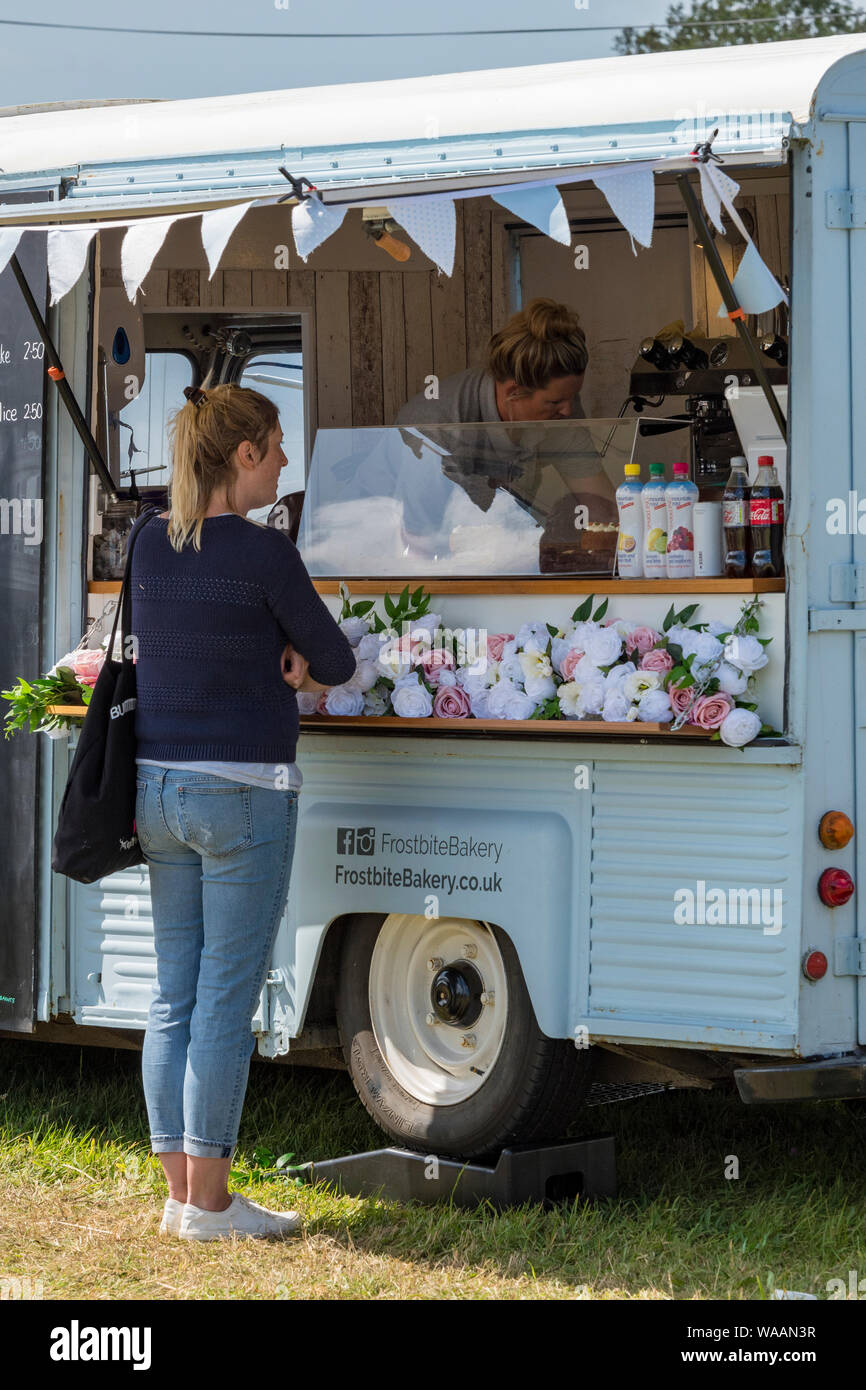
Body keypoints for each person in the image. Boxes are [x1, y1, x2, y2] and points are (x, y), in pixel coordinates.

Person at [130, 383, 356, 1241]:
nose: (287, 462)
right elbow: (333, 657)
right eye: (277, 446)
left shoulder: (152, 541)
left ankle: (181, 1192)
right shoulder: (265, 553)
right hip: (243, 793)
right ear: (243, 457)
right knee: (226, 997)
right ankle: (212, 1206)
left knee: (174, 993)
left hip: (157, 790)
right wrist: (295, 669)